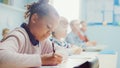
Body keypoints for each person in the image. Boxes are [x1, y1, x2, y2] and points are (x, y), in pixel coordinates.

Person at [0, 0, 63, 68]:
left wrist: (57, 57)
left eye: (52, 31)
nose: (49, 33)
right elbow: (1, 58)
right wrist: (41, 60)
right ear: (34, 19)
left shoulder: (42, 41)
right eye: (48, 27)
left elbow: (62, 50)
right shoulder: (19, 36)